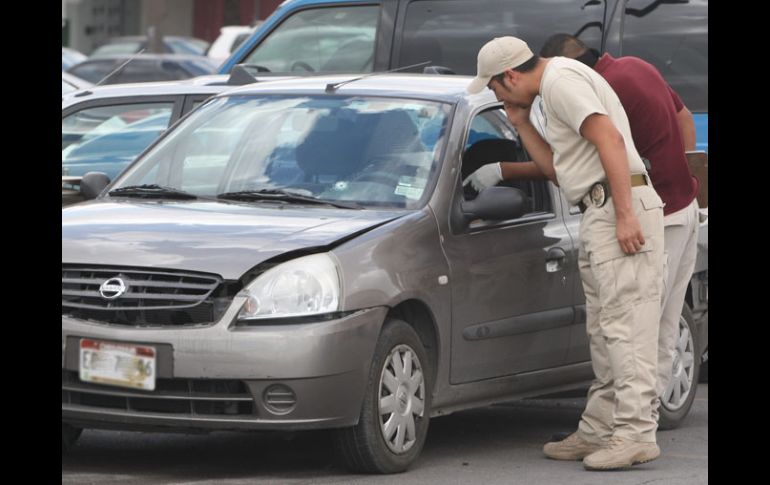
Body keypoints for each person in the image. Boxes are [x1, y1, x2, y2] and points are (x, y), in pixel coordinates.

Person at [467, 34, 701, 431]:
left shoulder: (560, 84)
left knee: (630, 330)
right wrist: (521, 123)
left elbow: (608, 139)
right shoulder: (565, 82)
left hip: (622, 210)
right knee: (616, 328)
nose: (496, 96)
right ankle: (601, 427)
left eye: (493, 87)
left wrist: (626, 214)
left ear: (509, 76)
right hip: (621, 207)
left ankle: (633, 432)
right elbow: (561, 170)